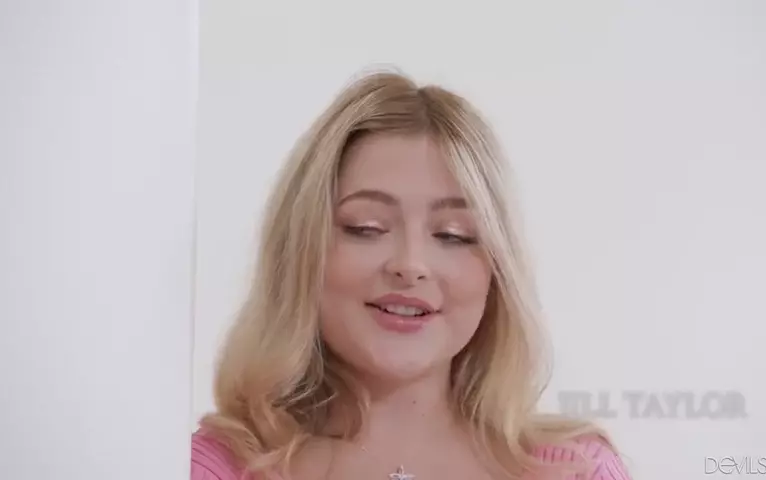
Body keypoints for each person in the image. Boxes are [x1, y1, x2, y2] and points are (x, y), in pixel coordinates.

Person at [190, 68, 633, 480]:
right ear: (301, 251)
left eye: (454, 235)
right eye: (366, 227)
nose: (410, 264)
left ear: (498, 270)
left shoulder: (578, 469)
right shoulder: (213, 467)